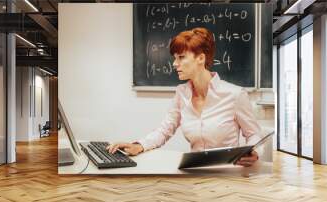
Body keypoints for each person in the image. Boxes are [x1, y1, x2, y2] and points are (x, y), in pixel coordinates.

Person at [107, 27, 262, 167]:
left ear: (200, 58)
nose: (174, 64)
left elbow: (254, 134)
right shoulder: (181, 93)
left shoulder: (235, 94)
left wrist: (254, 152)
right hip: (194, 172)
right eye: (175, 58)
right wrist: (138, 145)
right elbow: (164, 130)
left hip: (228, 174)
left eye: (181, 57)